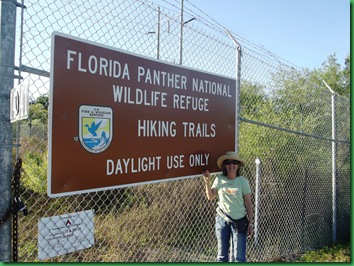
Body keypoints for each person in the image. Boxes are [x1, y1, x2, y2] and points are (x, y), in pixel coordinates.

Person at [202, 151, 254, 262]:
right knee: (222, 256)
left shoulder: (242, 182)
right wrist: (207, 182)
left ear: (238, 165)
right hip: (222, 221)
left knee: (239, 257)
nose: (231, 165)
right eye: (228, 162)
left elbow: (248, 203)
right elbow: (210, 196)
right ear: (225, 165)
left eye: (234, 162)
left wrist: (250, 223)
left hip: (240, 222)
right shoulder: (219, 179)